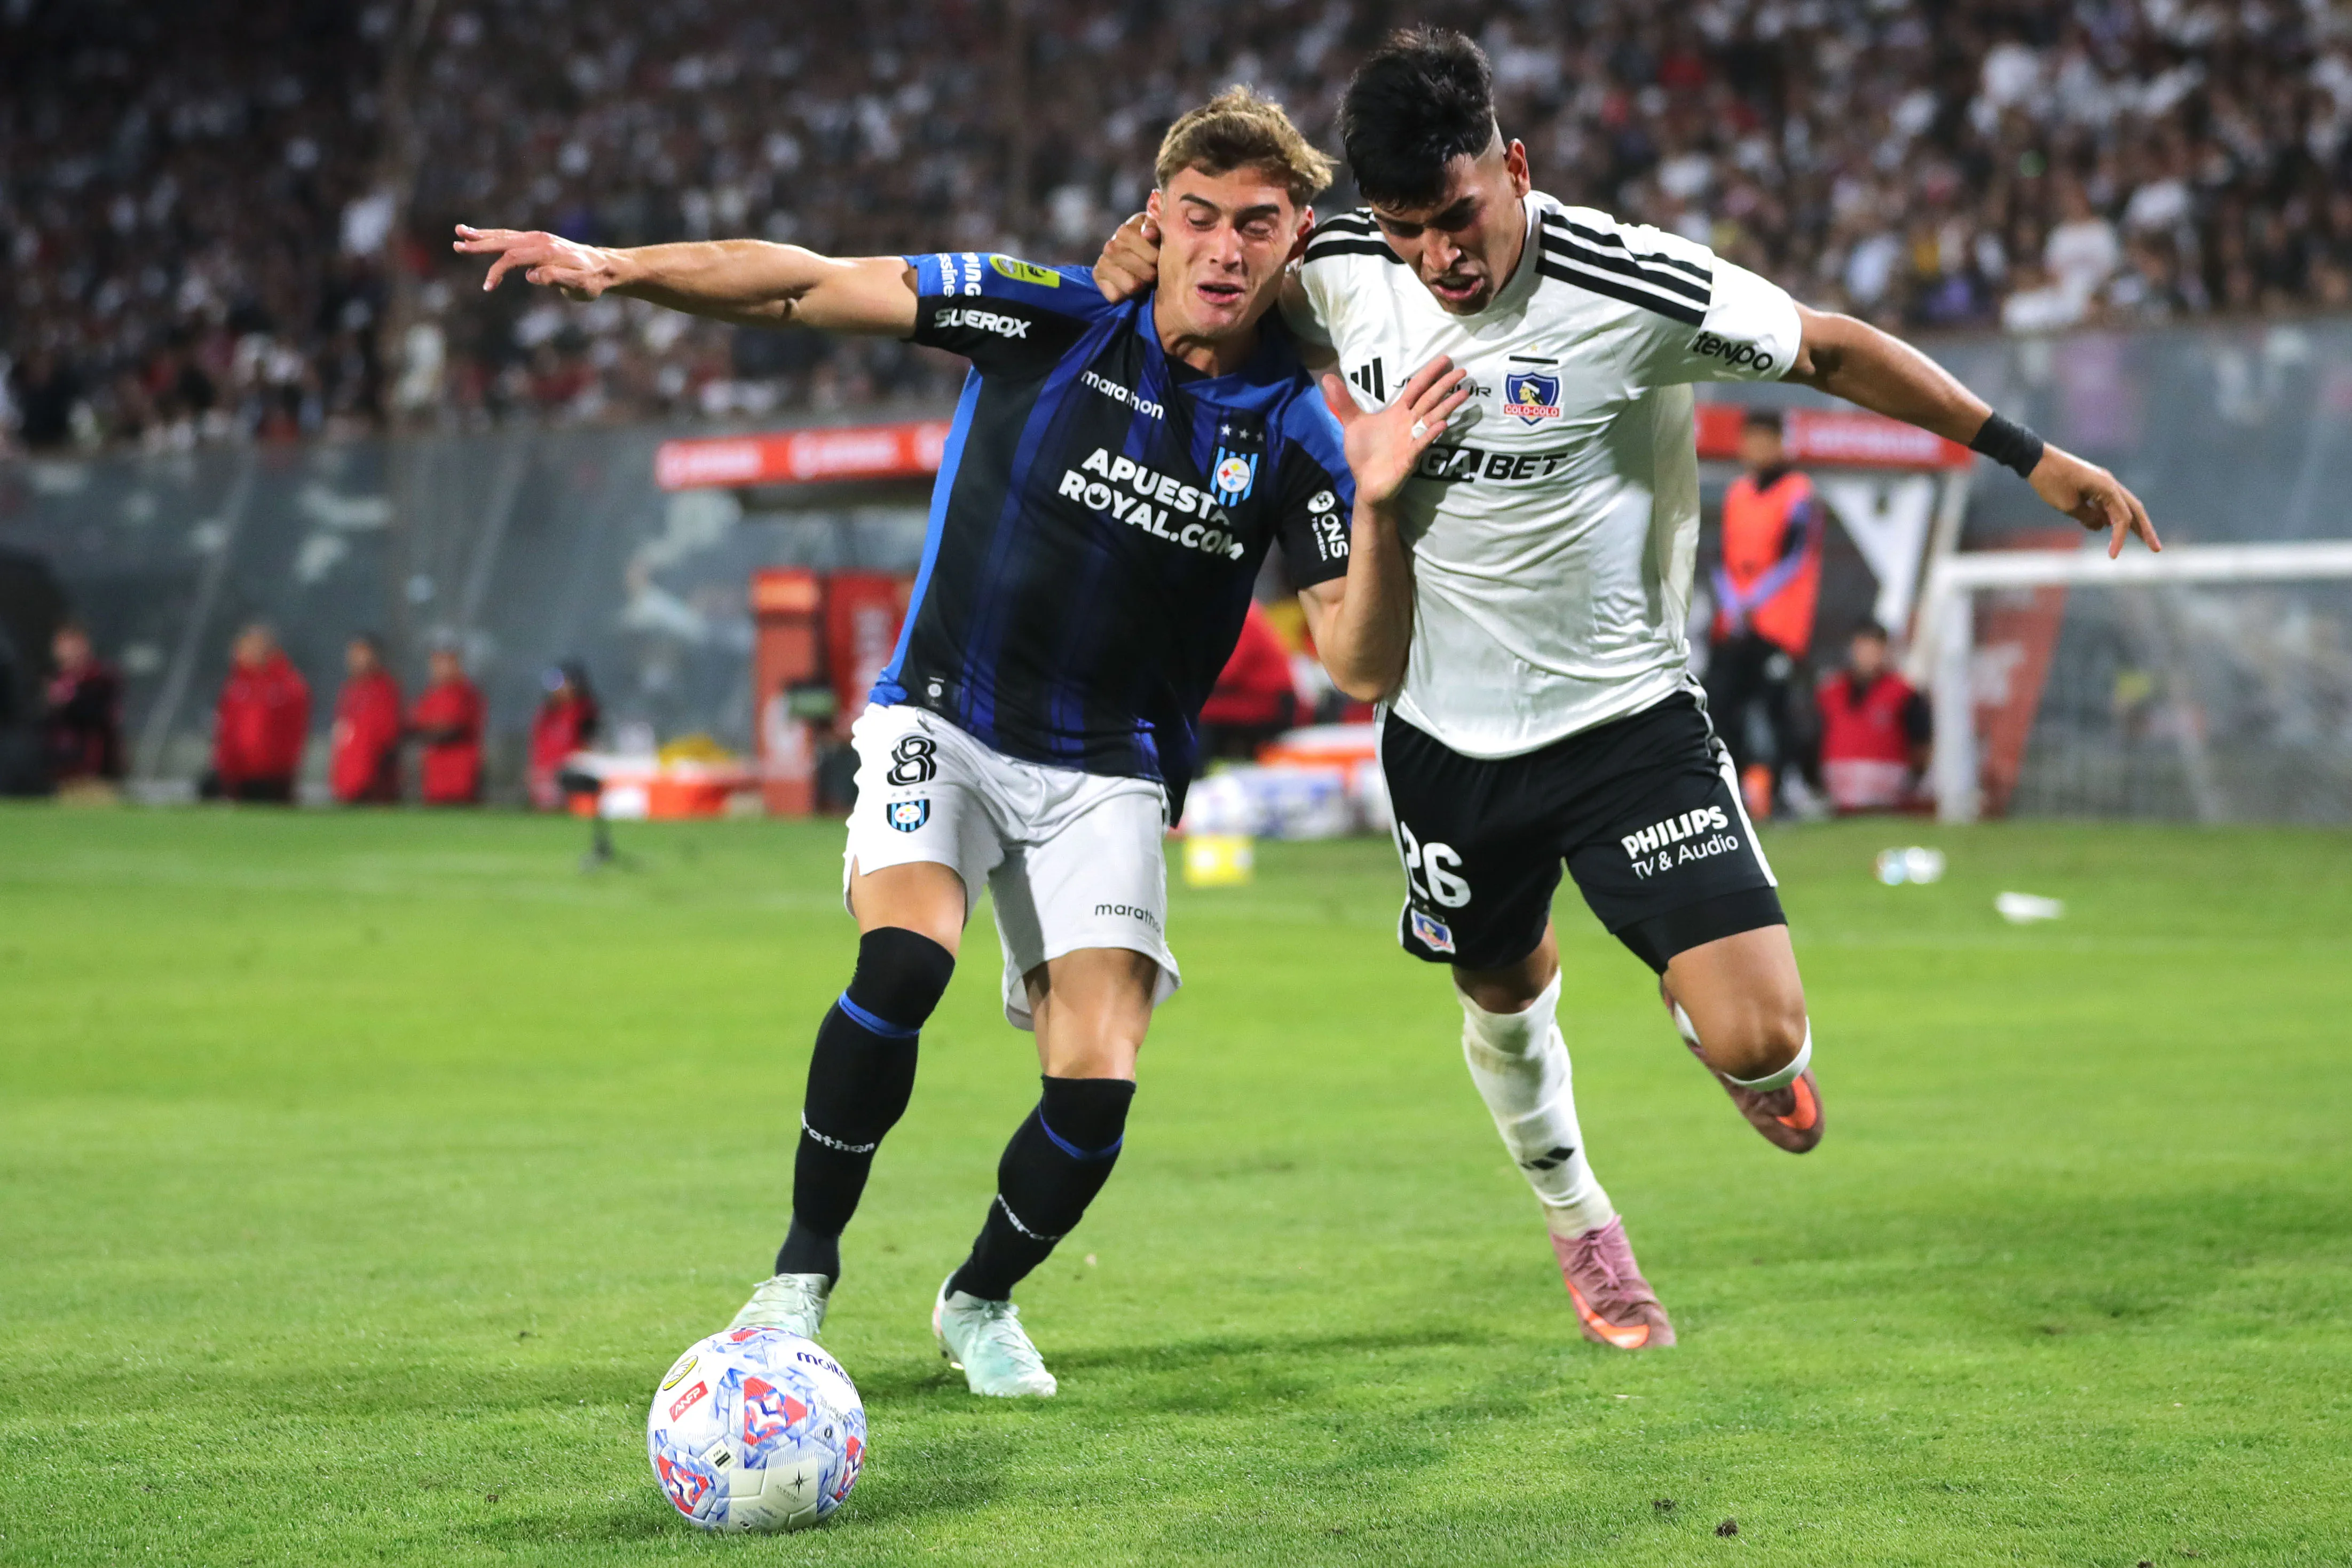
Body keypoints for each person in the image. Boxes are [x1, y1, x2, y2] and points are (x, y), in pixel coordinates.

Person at [1096, 27, 2159, 1351]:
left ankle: (1699, 1003)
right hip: (1441, 731)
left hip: (1627, 722)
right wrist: (1125, 255)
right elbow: (1199, 279)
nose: (1443, 257)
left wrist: (2025, 452)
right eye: (1409, 228)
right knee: (1500, 989)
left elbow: (1825, 347)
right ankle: (1582, 1223)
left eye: (1461, 216)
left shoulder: (1628, 285)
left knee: (1763, 1040)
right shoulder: (1337, 269)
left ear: (1516, 168)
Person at [458, 86, 1463, 1396]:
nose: (1225, 248)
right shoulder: (1043, 311)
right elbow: (807, 289)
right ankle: (796, 1277)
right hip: (945, 709)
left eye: (1256, 224)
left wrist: (1379, 510)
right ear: (1154, 219)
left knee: (1096, 1083)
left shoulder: (1298, 427)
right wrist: (618, 268)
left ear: (1295, 239)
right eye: (1200, 217)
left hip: (1109, 763)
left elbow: (1361, 662)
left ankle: (978, 1298)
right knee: (906, 952)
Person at [1707, 409, 1825, 820]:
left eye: (1762, 440)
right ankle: (1730, 794)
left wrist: (1751, 599)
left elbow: (1795, 558)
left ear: (1779, 443)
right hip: (1734, 626)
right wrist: (1730, 602)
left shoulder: (1798, 493)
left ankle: (1788, 792)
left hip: (1778, 625)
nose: (1753, 449)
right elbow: (1721, 556)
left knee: (1780, 712)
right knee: (1719, 708)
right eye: (1748, 440)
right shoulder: (1736, 493)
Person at [1815, 622, 1931, 814]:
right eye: (1862, 647)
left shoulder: (1903, 693)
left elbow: (1921, 743)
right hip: (1839, 799)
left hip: (1887, 800)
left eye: (1874, 648)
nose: (1867, 655)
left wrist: (1912, 782)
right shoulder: (1831, 691)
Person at [205, 623, 310, 803]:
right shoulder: (236, 685)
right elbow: (226, 728)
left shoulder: (288, 685)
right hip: (236, 774)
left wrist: (285, 768)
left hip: (272, 776)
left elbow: (294, 731)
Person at [1198, 597, 1300, 759]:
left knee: (1194, 714)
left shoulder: (1239, 616)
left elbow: (1224, 674)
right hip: (1251, 697)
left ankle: (1193, 776)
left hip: (1269, 703)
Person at [42, 622, 123, 795]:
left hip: (95, 773)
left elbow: (100, 716)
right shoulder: (55, 680)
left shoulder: (101, 678)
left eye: (71, 645)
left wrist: (69, 701)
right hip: (59, 772)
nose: (66, 652)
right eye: (62, 646)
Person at [328, 634, 404, 805]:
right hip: (348, 781)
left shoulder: (385, 689)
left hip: (373, 785)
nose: (356, 659)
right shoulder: (349, 690)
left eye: (362, 653)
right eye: (353, 654)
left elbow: (389, 736)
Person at [411, 646, 485, 805]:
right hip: (434, 780)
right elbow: (415, 723)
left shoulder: (466, 693)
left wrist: (419, 732)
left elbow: (451, 730)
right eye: (436, 663)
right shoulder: (429, 695)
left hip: (460, 780)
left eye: (446, 662)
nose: (440, 668)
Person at [527, 660, 600, 809]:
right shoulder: (547, 712)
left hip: (567, 784)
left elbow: (588, 747)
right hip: (542, 781)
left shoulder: (584, 712)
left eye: (562, 683)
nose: (557, 690)